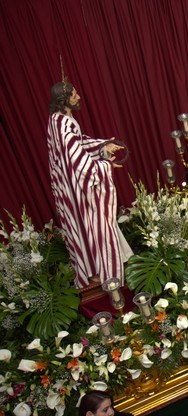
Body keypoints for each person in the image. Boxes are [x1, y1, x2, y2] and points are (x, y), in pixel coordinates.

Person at [47, 81, 133, 290]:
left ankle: (94, 271)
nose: (78, 97)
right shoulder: (64, 123)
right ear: (64, 99)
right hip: (78, 192)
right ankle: (101, 275)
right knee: (96, 228)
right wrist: (104, 165)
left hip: (69, 189)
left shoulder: (57, 120)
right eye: (74, 94)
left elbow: (79, 143)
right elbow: (76, 160)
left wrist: (103, 145)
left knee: (87, 230)